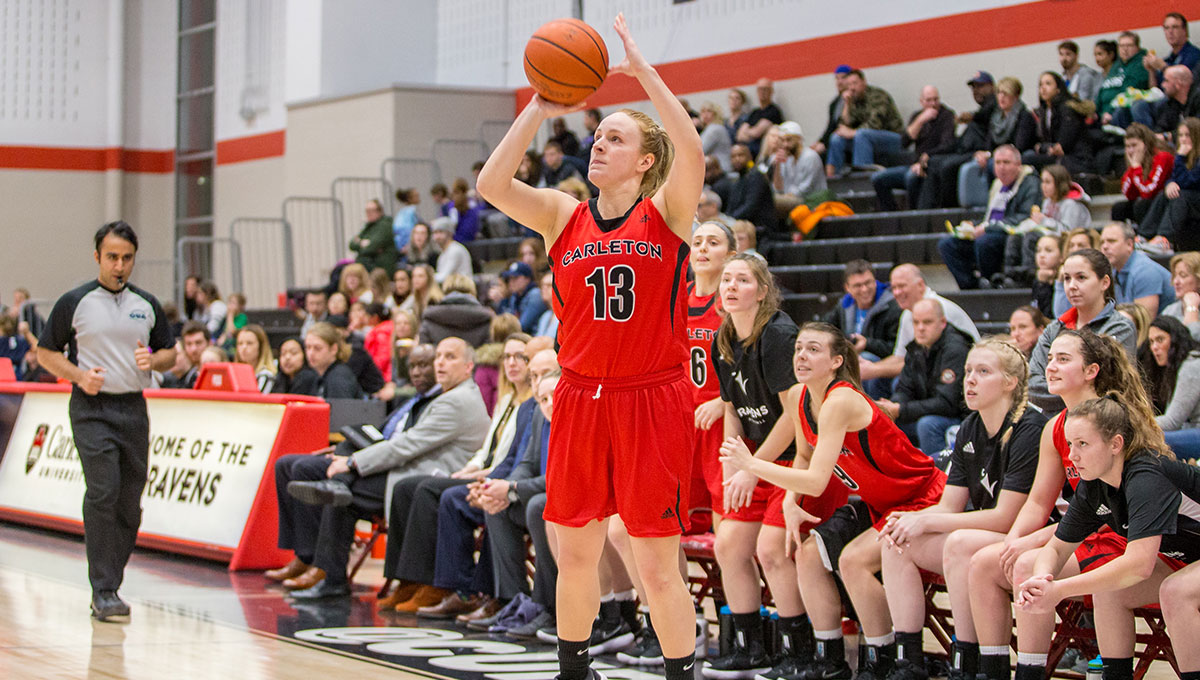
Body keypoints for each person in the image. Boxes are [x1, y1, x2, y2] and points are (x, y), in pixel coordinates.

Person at [475, 14, 705, 680]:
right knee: (574, 552)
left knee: (657, 562)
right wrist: (538, 109)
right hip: (579, 396)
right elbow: (492, 185)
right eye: (598, 136)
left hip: (650, 398)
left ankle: (679, 672)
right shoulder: (561, 214)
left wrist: (645, 75)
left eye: (616, 138)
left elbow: (689, 151)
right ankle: (572, 669)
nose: (599, 146)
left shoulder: (665, 212)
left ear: (645, 160)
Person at [719, 322, 946, 680]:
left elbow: (817, 480)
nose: (802, 356)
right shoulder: (798, 396)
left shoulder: (840, 401)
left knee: (853, 561)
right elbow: (805, 456)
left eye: (813, 350)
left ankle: (884, 660)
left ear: (836, 361)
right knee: (808, 554)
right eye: (798, 349)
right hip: (879, 503)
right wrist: (791, 502)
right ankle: (828, 660)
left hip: (921, 497)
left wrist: (752, 465)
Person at [966, 329, 1156, 680]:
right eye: (1050, 358)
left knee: (1026, 566)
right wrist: (1014, 539)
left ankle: (1030, 672)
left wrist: (1032, 543)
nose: (1050, 367)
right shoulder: (1055, 426)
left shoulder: (1116, 422)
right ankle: (989, 671)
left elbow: (1116, 509)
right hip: (1083, 531)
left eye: (1063, 359)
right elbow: (1038, 503)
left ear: (1091, 371)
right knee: (984, 563)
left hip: (1123, 536)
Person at [705, 254, 848, 679]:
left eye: (742, 280)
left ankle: (798, 651)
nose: (730, 286)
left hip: (793, 458)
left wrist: (754, 465)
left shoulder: (778, 334)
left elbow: (793, 414)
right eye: (726, 279)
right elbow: (732, 407)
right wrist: (735, 463)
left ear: (762, 291)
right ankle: (750, 647)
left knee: (772, 549)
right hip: (756, 457)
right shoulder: (724, 337)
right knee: (728, 544)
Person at [879, 337, 1045, 680]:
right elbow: (950, 505)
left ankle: (966, 662)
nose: (969, 379)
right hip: (984, 534)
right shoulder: (970, 426)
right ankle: (908, 661)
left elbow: (1007, 517)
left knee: (958, 543)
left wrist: (927, 523)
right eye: (968, 370)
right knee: (894, 540)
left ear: (1010, 383)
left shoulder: (1029, 428)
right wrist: (914, 519)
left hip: (1028, 537)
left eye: (983, 372)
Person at [36, 221, 176, 620]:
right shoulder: (74, 302)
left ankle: (111, 580)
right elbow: (47, 353)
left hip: (133, 408)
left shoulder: (146, 303)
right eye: (112, 257)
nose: (119, 265)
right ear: (98, 257)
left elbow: (171, 353)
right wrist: (80, 376)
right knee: (103, 491)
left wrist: (155, 359)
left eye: (126, 258)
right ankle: (104, 588)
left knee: (130, 503)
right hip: (91, 409)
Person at [281, 339, 491, 599]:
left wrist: (353, 462)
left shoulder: (456, 401)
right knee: (324, 474)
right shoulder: (451, 396)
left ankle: (330, 574)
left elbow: (407, 445)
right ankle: (318, 563)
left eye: (449, 357)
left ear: (469, 366)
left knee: (343, 495)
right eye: (439, 356)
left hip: (422, 478)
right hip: (409, 472)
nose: (440, 363)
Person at [1013, 397, 1200, 680]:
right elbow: (1056, 549)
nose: (1072, 456)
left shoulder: (1147, 475)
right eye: (1070, 445)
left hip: (1187, 560)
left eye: (1083, 444)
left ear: (1115, 444)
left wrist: (1059, 590)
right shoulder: (1094, 486)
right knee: (1109, 588)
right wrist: (1042, 580)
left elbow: (1138, 565)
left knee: (1175, 591)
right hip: (1188, 557)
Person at [1029, 249, 1138, 413]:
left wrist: (1061, 388)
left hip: (1103, 422)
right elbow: (1032, 386)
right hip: (1054, 422)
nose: (1072, 286)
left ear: (1105, 282)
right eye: (1067, 278)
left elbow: (1104, 387)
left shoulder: (1120, 327)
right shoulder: (1054, 329)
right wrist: (1075, 389)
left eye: (1081, 277)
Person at [859, 264, 979, 395]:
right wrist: (870, 368)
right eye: (894, 288)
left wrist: (875, 370)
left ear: (920, 285)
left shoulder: (940, 309)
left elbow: (925, 364)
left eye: (902, 286)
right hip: (928, 373)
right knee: (873, 370)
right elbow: (900, 357)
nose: (897, 293)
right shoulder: (907, 314)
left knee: (895, 382)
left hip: (959, 378)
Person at [937, 144, 1040, 291]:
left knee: (985, 242)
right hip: (991, 231)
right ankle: (970, 286)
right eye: (998, 162)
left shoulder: (1030, 183)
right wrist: (974, 224)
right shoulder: (997, 184)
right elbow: (990, 217)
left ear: (1018, 165)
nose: (1001, 167)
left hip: (1011, 235)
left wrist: (987, 227)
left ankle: (991, 284)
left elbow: (1024, 217)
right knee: (947, 244)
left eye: (1006, 162)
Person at [877, 298, 971, 456]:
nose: (920, 328)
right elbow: (904, 387)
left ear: (942, 322)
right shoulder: (916, 347)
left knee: (927, 425)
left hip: (958, 417)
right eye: (916, 322)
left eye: (927, 322)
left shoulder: (956, 349)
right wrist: (893, 407)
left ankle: (936, 473)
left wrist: (901, 409)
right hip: (928, 410)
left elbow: (947, 403)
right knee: (885, 420)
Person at [955, 77, 1038, 209]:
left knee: (994, 164)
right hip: (998, 155)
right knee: (984, 161)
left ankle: (1004, 202)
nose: (1001, 97)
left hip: (1018, 156)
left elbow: (1020, 145)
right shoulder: (995, 117)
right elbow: (989, 143)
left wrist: (993, 155)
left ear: (1015, 96)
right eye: (999, 93)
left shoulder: (1024, 116)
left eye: (1006, 94)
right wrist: (985, 153)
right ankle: (993, 201)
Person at [1002, 164, 1092, 286]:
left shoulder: (1072, 205)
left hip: (1067, 241)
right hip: (1049, 237)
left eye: (1048, 182)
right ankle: (1010, 275)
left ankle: (1029, 277)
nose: (1043, 186)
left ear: (1059, 183)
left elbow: (1069, 231)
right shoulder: (1047, 201)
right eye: (1042, 181)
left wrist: (1044, 221)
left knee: (1032, 237)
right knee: (1015, 237)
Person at [871, 85, 956, 211]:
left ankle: (913, 216)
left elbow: (947, 144)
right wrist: (921, 120)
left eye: (935, 99)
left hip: (930, 165)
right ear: (921, 102)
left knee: (911, 178)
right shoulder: (917, 116)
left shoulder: (947, 115)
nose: (933, 104)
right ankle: (892, 214)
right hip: (913, 164)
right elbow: (904, 142)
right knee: (878, 178)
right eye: (928, 100)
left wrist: (926, 157)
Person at [823, 259, 901, 372]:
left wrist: (867, 344)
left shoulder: (892, 306)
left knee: (862, 360)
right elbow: (825, 326)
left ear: (875, 281)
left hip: (881, 365)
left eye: (868, 283)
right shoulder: (844, 305)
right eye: (858, 285)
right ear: (847, 288)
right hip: (850, 357)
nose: (864, 289)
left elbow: (896, 349)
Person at [825, 69, 905, 176]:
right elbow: (843, 125)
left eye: (855, 83)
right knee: (836, 138)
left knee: (861, 135)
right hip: (867, 140)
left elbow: (875, 124)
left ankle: (861, 179)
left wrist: (852, 132)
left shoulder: (878, 96)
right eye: (849, 85)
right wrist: (847, 104)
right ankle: (834, 179)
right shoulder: (853, 100)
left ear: (864, 82)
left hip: (894, 138)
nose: (852, 88)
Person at [1138, 117, 1200, 253]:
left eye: (1188, 135)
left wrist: (1180, 157)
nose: (1183, 139)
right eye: (1181, 135)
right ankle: (1144, 235)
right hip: (1190, 198)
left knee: (1180, 196)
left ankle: (1165, 239)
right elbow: (1175, 178)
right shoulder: (1186, 157)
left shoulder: (1187, 157)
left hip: (1195, 199)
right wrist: (1170, 183)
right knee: (1164, 195)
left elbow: (1189, 182)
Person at [1142, 316, 1200, 459]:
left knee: (1148, 441)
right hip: (1190, 431)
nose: (1154, 347)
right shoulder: (1173, 369)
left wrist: (1135, 423)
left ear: (1175, 340)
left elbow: (1173, 421)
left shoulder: (1191, 367)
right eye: (1151, 342)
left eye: (1160, 340)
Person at [1022, 72, 1094, 176]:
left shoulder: (1067, 110)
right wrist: (1045, 147)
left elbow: (1061, 147)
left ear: (1058, 89)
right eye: (1041, 85)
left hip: (1076, 159)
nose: (1043, 88)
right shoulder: (1044, 111)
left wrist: (1042, 147)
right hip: (1058, 158)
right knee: (1025, 157)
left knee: (1027, 160)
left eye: (1048, 84)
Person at [1099, 221, 1175, 316]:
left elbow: (1143, 322)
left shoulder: (1145, 271)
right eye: (1102, 242)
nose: (1105, 247)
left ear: (1129, 245)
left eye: (1111, 241)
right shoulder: (1114, 271)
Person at [1114, 122, 1175, 228]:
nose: (1131, 150)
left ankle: (1144, 237)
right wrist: (1133, 168)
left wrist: (1136, 168)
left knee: (1142, 204)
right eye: (1128, 146)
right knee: (1119, 208)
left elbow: (1149, 191)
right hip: (1147, 200)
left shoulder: (1162, 157)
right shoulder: (1136, 161)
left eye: (1134, 145)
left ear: (1145, 144)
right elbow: (1128, 194)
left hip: (1163, 202)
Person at [419, 273, 494, 348]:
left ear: (445, 291)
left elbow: (425, 355)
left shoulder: (430, 318)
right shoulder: (486, 319)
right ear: (473, 292)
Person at [771, 121, 829, 209]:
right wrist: (778, 165)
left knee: (772, 203)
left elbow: (804, 190)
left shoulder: (810, 157)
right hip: (793, 199)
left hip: (812, 202)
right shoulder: (787, 158)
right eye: (782, 141)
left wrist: (784, 198)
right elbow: (779, 188)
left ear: (799, 139)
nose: (785, 145)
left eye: (789, 140)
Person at [724, 143, 777, 232]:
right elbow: (731, 206)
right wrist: (725, 219)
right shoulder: (737, 181)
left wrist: (730, 220)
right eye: (733, 157)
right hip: (742, 224)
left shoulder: (756, 176)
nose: (737, 159)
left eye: (740, 155)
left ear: (749, 157)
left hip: (760, 227)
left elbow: (750, 207)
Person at [303, 322, 363, 399]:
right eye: (308, 347)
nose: (310, 353)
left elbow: (341, 409)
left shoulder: (339, 378)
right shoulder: (319, 375)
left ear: (333, 349)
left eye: (317, 348)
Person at [1143, 12, 1200, 88]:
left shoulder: (1194, 55)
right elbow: (1156, 93)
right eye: (1166, 28)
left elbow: (1182, 86)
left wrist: (1163, 67)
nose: (1170, 32)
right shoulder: (1169, 59)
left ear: (1184, 30)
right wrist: (1151, 70)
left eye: (1175, 27)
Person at [735, 78, 783, 158]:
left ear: (771, 91)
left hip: (764, 154)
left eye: (765, 89)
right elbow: (739, 135)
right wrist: (752, 132)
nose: (762, 92)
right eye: (760, 89)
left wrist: (748, 132)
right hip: (749, 153)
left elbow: (756, 133)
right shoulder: (754, 112)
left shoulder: (773, 111)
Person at [496, 261, 547, 334]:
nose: (511, 282)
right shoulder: (515, 296)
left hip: (533, 335)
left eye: (515, 278)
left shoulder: (535, 294)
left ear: (527, 278)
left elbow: (522, 326)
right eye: (510, 278)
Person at [349, 199, 398, 274]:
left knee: (359, 264)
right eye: (367, 211)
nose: (369, 213)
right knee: (344, 269)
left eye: (372, 210)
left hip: (382, 266)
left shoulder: (385, 225)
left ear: (380, 211)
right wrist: (362, 244)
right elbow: (351, 244)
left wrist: (361, 244)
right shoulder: (368, 226)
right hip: (370, 263)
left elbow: (372, 247)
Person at [1163, 251, 1200, 338]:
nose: (1176, 281)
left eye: (1183, 275)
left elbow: (1194, 339)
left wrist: (1191, 308)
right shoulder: (1170, 310)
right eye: (1175, 276)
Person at [234, 324, 276, 393]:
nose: (244, 348)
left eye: (249, 343)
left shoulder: (266, 375)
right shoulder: (234, 374)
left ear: (261, 347)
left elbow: (256, 401)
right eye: (240, 343)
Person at [431, 217, 473, 284]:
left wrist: (427, 277)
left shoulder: (455, 250)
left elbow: (443, 277)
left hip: (461, 289)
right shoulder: (443, 253)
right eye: (435, 233)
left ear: (450, 233)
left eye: (441, 232)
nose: (437, 236)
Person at [1032, 234, 1064, 315]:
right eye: (1038, 250)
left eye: (1048, 250)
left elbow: (1049, 315)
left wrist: (1044, 285)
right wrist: (1042, 284)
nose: (1042, 255)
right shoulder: (1036, 277)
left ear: (1062, 256)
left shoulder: (1065, 279)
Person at [699, 101, 733, 173]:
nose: (705, 115)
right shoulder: (711, 128)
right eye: (703, 111)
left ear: (715, 114)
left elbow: (700, 150)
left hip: (721, 169)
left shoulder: (714, 129)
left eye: (709, 111)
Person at [393, 188, 421, 252]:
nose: (419, 198)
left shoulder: (402, 211)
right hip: (407, 243)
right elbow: (407, 229)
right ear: (410, 199)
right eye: (416, 196)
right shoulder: (412, 210)